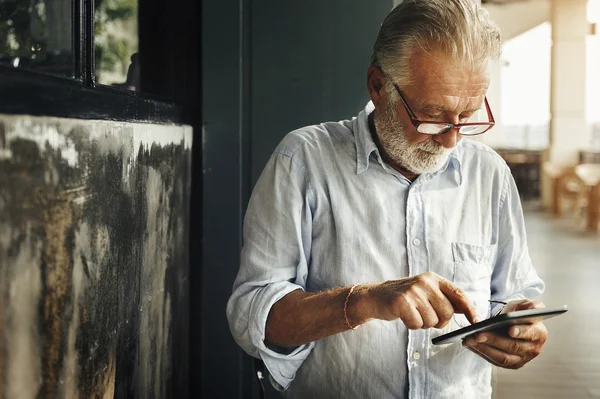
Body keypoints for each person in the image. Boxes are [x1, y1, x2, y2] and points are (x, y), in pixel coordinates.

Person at [226, 1, 547, 398]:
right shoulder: (304, 159)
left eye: (467, 115)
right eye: (433, 115)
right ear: (378, 86)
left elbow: (511, 297)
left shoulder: (489, 174)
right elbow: (252, 317)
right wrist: (364, 301)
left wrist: (518, 330)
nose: (452, 138)